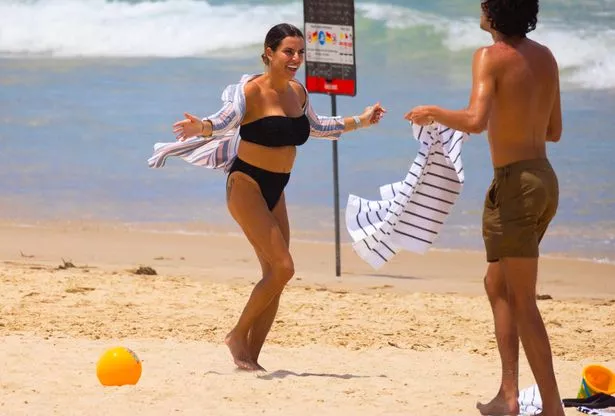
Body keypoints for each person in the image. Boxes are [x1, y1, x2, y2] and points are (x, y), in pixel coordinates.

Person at [171, 23, 385, 372]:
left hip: (276, 189)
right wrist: (202, 127)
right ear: (269, 52)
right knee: (284, 267)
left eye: (300, 52)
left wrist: (360, 121)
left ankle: (250, 357)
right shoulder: (251, 91)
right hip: (246, 186)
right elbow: (225, 120)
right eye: (288, 51)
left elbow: (317, 127)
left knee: (275, 276)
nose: (296, 58)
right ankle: (237, 335)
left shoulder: (298, 93)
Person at [404, 1, 563, 415]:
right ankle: (508, 396)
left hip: (514, 186)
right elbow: (554, 130)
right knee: (497, 285)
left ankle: (552, 408)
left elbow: (475, 120)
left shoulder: (488, 56)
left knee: (523, 301)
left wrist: (432, 112)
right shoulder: (545, 56)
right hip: (544, 178)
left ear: (495, 12)